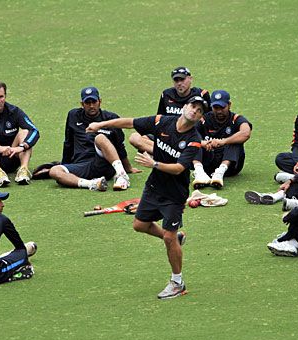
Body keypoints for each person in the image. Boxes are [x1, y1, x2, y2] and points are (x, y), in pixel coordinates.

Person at [86, 95, 208, 299]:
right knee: (140, 225)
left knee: (169, 237)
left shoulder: (194, 141)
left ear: (200, 118)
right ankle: (176, 239)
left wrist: (154, 164)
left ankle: (177, 282)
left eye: (199, 111)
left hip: (174, 195)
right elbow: (130, 122)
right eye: (192, 106)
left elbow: (179, 168)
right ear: (185, 107)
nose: (194, 111)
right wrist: (101, 124)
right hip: (154, 187)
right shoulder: (163, 121)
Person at [47, 87, 139, 191]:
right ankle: (93, 184)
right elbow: (68, 143)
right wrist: (65, 165)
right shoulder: (73, 115)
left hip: (103, 164)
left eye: (94, 102)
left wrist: (128, 168)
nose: (91, 106)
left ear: (100, 102)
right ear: (82, 104)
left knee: (99, 138)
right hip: (81, 165)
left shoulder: (111, 118)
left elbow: (120, 145)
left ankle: (122, 176)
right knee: (54, 171)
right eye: (87, 103)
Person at [129, 66, 211, 154]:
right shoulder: (166, 94)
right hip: (167, 136)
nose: (179, 83)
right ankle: (168, 154)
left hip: (188, 137)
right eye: (176, 80)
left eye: (182, 80)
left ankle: (162, 154)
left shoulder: (201, 95)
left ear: (190, 79)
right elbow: (160, 118)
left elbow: (209, 119)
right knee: (134, 138)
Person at [192, 90, 252, 189]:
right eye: (216, 108)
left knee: (235, 141)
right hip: (209, 162)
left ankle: (219, 173)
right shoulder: (204, 119)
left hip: (231, 167)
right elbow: (188, 134)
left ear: (229, 105)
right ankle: (199, 172)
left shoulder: (236, 119)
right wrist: (203, 143)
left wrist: (223, 141)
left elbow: (246, 133)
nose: (219, 111)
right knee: (194, 142)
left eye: (222, 107)